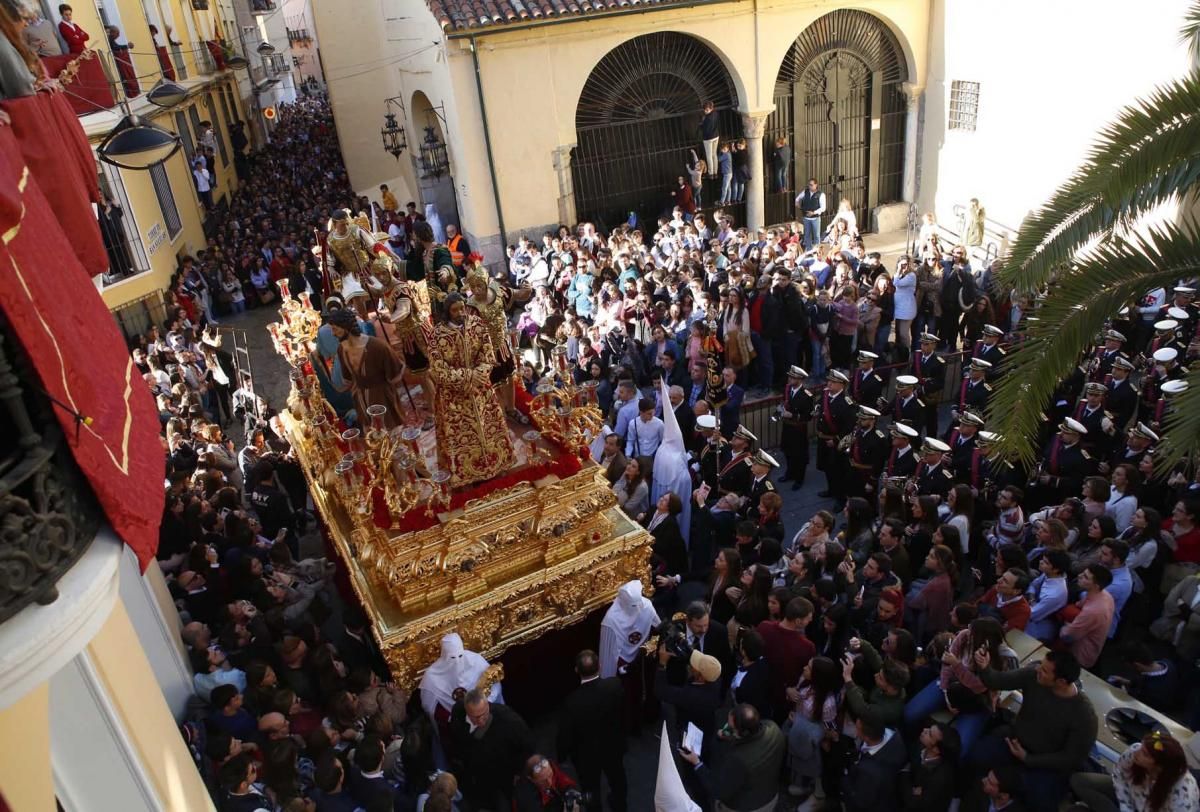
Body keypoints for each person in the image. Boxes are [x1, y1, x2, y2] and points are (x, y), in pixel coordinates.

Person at [968, 650, 1097, 812]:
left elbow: (1071, 758)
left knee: (1039, 802)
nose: (1038, 670)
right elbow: (998, 681)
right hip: (1015, 740)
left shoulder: (1084, 716)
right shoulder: (1033, 676)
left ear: (1061, 681)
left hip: (1046, 764)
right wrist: (985, 667)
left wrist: (1028, 759)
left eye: (1044, 670)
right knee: (977, 756)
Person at [426, 292, 516, 484]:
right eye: (454, 310)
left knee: (488, 425)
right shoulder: (437, 334)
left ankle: (496, 463)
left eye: (462, 307)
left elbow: (487, 353)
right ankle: (465, 474)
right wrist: (468, 376)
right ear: (447, 312)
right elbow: (438, 369)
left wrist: (480, 373)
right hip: (454, 396)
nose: (460, 312)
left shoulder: (477, 324)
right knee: (459, 436)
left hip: (480, 389)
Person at [679, 703, 785, 812]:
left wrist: (697, 763)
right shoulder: (774, 728)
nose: (727, 728)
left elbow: (719, 790)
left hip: (749, 807)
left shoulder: (739, 760)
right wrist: (732, 736)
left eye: (732, 728)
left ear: (743, 733)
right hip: (771, 795)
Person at [557, 650, 628, 812]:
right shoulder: (614, 685)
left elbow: (565, 734)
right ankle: (620, 806)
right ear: (600, 666)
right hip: (613, 746)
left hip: (586, 756)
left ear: (576, 670)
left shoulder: (571, 702)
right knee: (618, 780)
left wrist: (561, 755)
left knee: (590, 788)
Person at [449, 689, 534, 811]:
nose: (481, 720)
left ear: (488, 705)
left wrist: (519, 771)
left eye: (485, 713)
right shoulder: (457, 712)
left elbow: (527, 745)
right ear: (467, 710)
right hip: (476, 776)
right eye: (476, 717)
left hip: (504, 774)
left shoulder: (508, 720)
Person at [1069, 733, 1198, 812]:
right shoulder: (1135, 751)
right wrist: (1126, 807)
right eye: (1142, 747)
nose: (1137, 753)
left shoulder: (1182, 792)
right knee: (1080, 781)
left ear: (1160, 765)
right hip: (1129, 796)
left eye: (1145, 754)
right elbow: (1119, 775)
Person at [324, 308, 408, 430]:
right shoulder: (342, 349)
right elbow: (348, 379)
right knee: (373, 438)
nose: (333, 333)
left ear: (345, 327)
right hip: (361, 402)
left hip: (383, 400)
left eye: (335, 329)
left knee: (392, 436)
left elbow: (395, 375)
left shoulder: (378, 347)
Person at [899, 722, 960, 812]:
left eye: (930, 734)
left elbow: (914, 803)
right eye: (929, 728)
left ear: (936, 749)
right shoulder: (922, 744)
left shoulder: (939, 779)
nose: (924, 730)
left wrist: (904, 773)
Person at [796, 178, 827, 251]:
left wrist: (814, 212)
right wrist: (798, 204)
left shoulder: (821, 194)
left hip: (815, 218)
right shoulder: (805, 192)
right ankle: (809, 251)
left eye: (811, 185)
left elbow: (823, 208)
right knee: (807, 235)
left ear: (816, 185)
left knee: (816, 236)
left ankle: (817, 251)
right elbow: (797, 199)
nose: (810, 186)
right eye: (809, 185)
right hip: (806, 218)